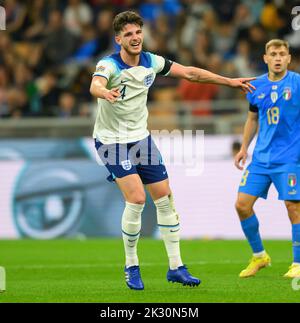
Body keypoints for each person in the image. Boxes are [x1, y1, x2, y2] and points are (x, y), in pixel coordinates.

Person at [90, 10, 255, 290]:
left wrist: (229, 81)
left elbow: (190, 73)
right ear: (118, 39)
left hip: (140, 139)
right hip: (111, 141)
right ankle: (131, 266)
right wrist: (104, 92)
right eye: (128, 34)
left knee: (165, 198)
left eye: (138, 32)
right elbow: (96, 83)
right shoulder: (109, 65)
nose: (135, 37)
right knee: (137, 198)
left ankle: (176, 267)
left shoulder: (151, 61)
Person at [234, 39, 300, 279]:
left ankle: (298, 264)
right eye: (273, 53)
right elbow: (253, 118)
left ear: (289, 58)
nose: (278, 57)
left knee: (294, 208)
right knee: (242, 205)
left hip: (290, 159)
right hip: (261, 159)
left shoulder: (297, 83)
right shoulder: (257, 86)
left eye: (282, 53)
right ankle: (260, 256)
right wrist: (244, 147)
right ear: (265, 58)